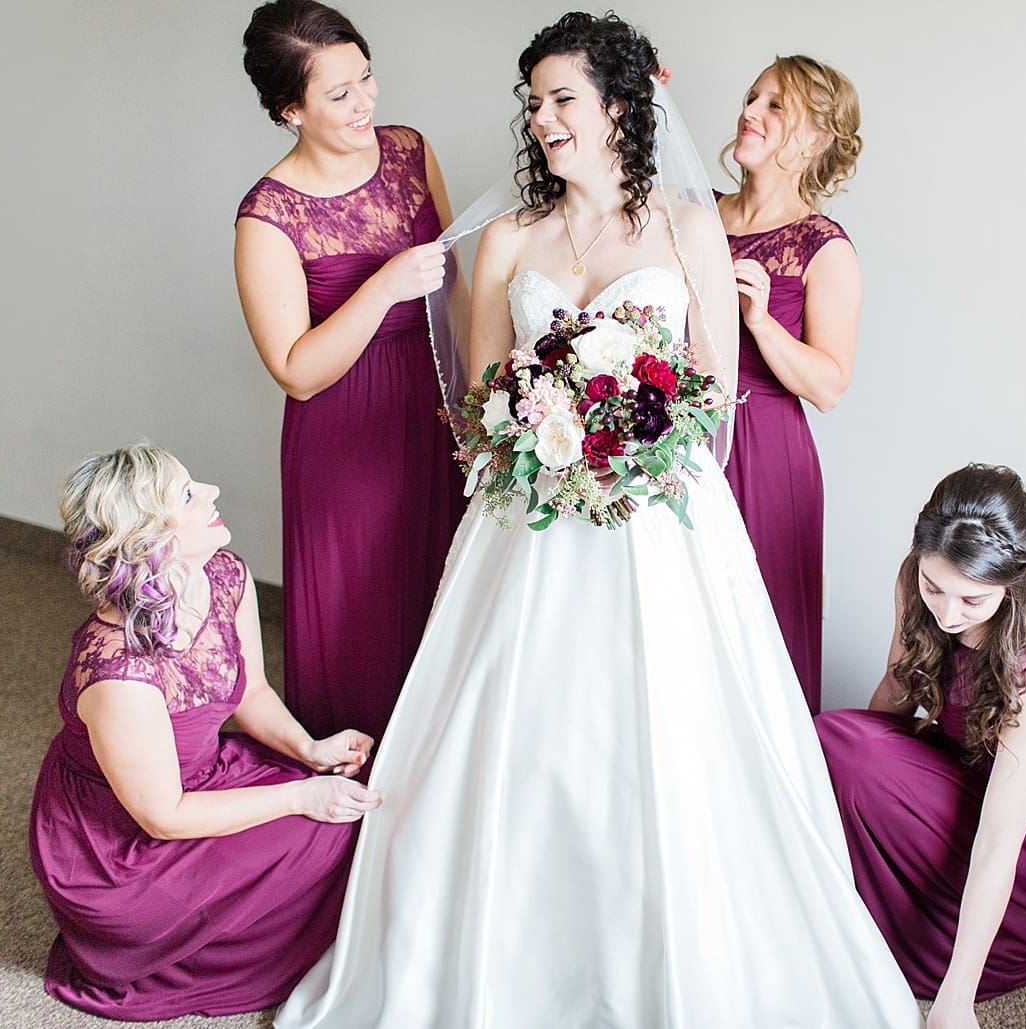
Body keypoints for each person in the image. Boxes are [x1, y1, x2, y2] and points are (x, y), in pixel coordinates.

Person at [275, 14, 922, 1028]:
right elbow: (481, 397)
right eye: (533, 102)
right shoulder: (507, 240)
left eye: (562, 99)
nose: (542, 120)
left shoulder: (685, 226)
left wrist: (629, 442)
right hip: (524, 523)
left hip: (657, 522)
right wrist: (538, 430)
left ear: (620, 104)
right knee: (514, 748)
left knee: (667, 748)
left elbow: (712, 389)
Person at [28, 444, 381, 1020]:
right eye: (189, 494)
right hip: (121, 850)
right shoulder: (119, 674)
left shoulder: (222, 574)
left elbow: (252, 691)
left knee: (351, 803)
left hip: (203, 777)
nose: (213, 493)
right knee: (325, 824)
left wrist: (310, 751)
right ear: (150, 539)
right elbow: (163, 815)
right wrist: (301, 793)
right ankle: (193, 951)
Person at [235, 0, 466, 745]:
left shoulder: (409, 150)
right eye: (338, 94)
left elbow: (456, 282)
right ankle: (350, 783)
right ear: (287, 110)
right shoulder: (267, 216)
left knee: (443, 591)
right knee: (359, 608)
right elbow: (296, 370)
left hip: (435, 407)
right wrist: (383, 286)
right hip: (342, 436)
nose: (365, 101)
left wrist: (479, 402)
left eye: (365, 77)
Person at [815, 464, 1026, 1028]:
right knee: (836, 741)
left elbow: (1002, 841)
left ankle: (979, 949)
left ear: (1012, 587)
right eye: (935, 588)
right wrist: (846, 793)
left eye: (972, 601)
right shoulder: (918, 581)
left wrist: (954, 1003)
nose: (947, 614)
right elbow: (894, 695)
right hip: (968, 763)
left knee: (855, 755)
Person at [717, 55, 864, 713]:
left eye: (775, 105)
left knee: (758, 631)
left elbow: (829, 385)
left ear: (813, 139)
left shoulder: (822, 247)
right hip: (679, 440)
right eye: (753, 97)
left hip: (768, 452)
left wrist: (760, 322)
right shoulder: (692, 214)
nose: (750, 112)